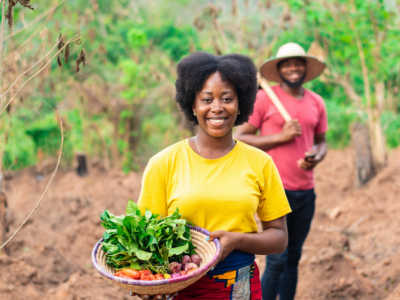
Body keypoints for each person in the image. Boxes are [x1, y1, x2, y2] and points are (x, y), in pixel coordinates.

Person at [132, 52, 292, 300]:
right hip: (179, 286)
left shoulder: (261, 162)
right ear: (193, 105)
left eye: (227, 98)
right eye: (207, 99)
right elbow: (146, 238)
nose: (217, 107)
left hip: (239, 286)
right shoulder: (164, 163)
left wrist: (237, 240)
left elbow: (279, 238)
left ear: (241, 104)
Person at [235, 42, 328, 300]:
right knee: (277, 260)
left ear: (306, 68)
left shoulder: (316, 102)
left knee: (293, 258)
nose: (293, 68)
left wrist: (316, 157)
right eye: (287, 63)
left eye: (298, 63)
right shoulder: (264, 98)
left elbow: (321, 142)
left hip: (306, 191)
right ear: (279, 69)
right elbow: (240, 137)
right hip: (276, 190)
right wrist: (280, 136)